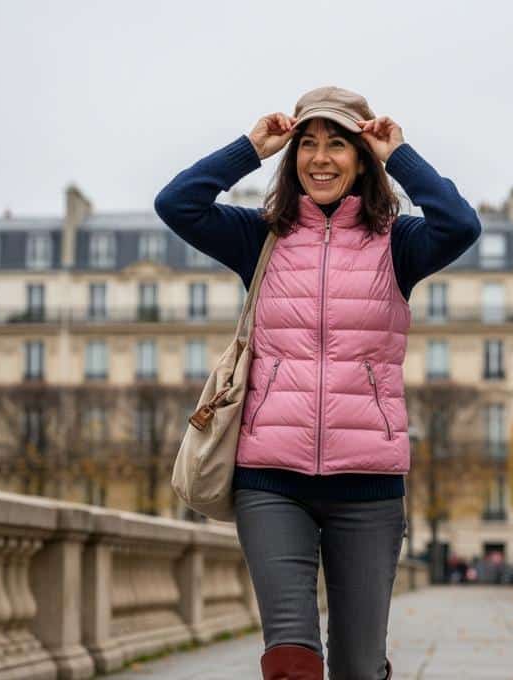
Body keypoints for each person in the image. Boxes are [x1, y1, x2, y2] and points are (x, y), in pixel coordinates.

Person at [155, 86, 481, 680]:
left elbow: (461, 223)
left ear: (361, 157)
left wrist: (398, 153)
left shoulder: (398, 243)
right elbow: (177, 203)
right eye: (308, 143)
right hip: (270, 480)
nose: (320, 158)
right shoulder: (261, 236)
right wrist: (250, 148)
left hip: (369, 485)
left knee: (358, 667)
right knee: (290, 660)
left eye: (338, 143)